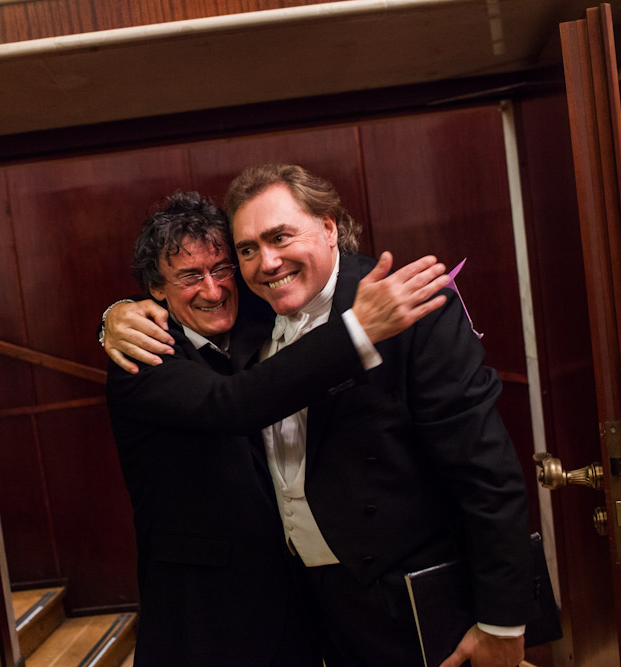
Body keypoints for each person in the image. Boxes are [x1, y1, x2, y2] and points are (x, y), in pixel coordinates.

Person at [104, 165, 535, 667]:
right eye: (248, 250)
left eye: (279, 237)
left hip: (413, 603)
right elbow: (236, 401)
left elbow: (485, 473)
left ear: (329, 227)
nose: (218, 287)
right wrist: (114, 315)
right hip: (237, 612)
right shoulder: (194, 333)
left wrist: (504, 621)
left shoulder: (402, 311)